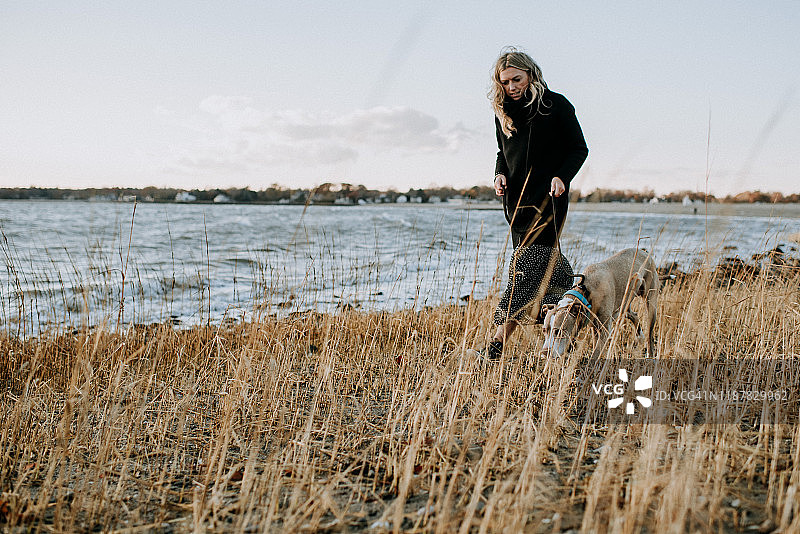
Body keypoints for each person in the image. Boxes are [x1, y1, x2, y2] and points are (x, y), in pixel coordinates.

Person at [487, 48, 588, 360]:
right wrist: (499, 174)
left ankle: (495, 342)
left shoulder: (556, 105)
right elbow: (503, 153)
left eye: (517, 79)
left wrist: (562, 176)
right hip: (515, 202)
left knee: (526, 266)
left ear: (530, 74)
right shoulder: (502, 110)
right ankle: (567, 316)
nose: (512, 86)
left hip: (550, 199)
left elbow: (578, 149)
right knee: (544, 268)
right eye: (505, 82)